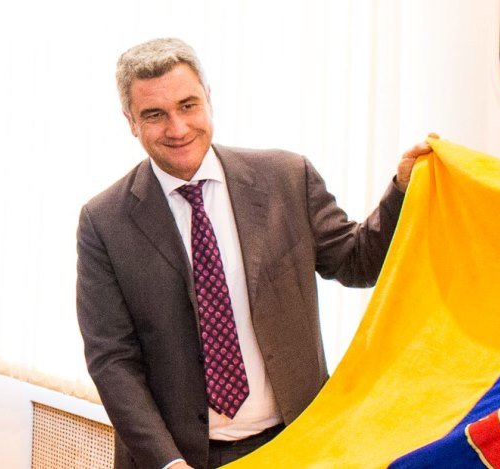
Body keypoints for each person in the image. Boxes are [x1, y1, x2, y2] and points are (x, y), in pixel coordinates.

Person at [75, 37, 432, 469]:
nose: (178, 128)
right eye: (155, 114)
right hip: (182, 458)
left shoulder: (287, 178)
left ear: (209, 99)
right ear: (131, 121)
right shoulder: (104, 221)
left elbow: (357, 262)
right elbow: (112, 360)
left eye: (188, 105)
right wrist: (168, 463)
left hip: (295, 445)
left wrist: (402, 190)